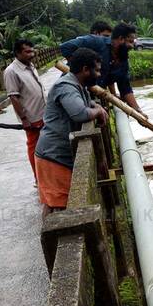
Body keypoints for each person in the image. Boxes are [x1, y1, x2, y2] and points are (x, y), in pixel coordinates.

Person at [34, 48, 108, 217]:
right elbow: (80, 113)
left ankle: (49, 239)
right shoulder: (66, 86)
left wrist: (96, 106)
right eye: (96, 70)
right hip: (53, 156)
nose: (98, 74)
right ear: (84, 69)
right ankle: (50, 240)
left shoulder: (77, 85)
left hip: (56, 154)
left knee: (56, 203)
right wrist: (97, 112)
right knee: (59, 206)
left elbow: (85, 102)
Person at [58, 22, 144, 114]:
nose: (132, 46)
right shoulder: (96, 42)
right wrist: (81, 68)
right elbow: (65, 47)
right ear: (121, 39)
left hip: (90, 101)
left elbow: (125, 89)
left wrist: (138, 111)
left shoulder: (123, 61)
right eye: (130, 42)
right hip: (70, 93)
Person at [3, 39, 45, 180]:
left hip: (43, 113)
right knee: (34, 147)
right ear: (17, 53)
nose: (31, 54)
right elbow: (13, 97)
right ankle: (38, 178)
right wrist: (24, 119)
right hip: (32, 117)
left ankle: (45, 176)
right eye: (27, 52)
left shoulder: (31, 65)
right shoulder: (11, 71)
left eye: (32, 50)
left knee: (45, 145)